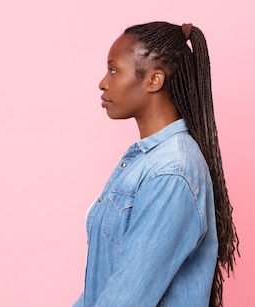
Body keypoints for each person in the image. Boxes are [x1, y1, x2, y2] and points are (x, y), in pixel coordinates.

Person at [74, 21, 239, 307]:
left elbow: (128, 298)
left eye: (114, 70)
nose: (103, 82)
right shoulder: (147, 162)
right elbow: (104, 289)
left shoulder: (170, 172)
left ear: (154, 81)